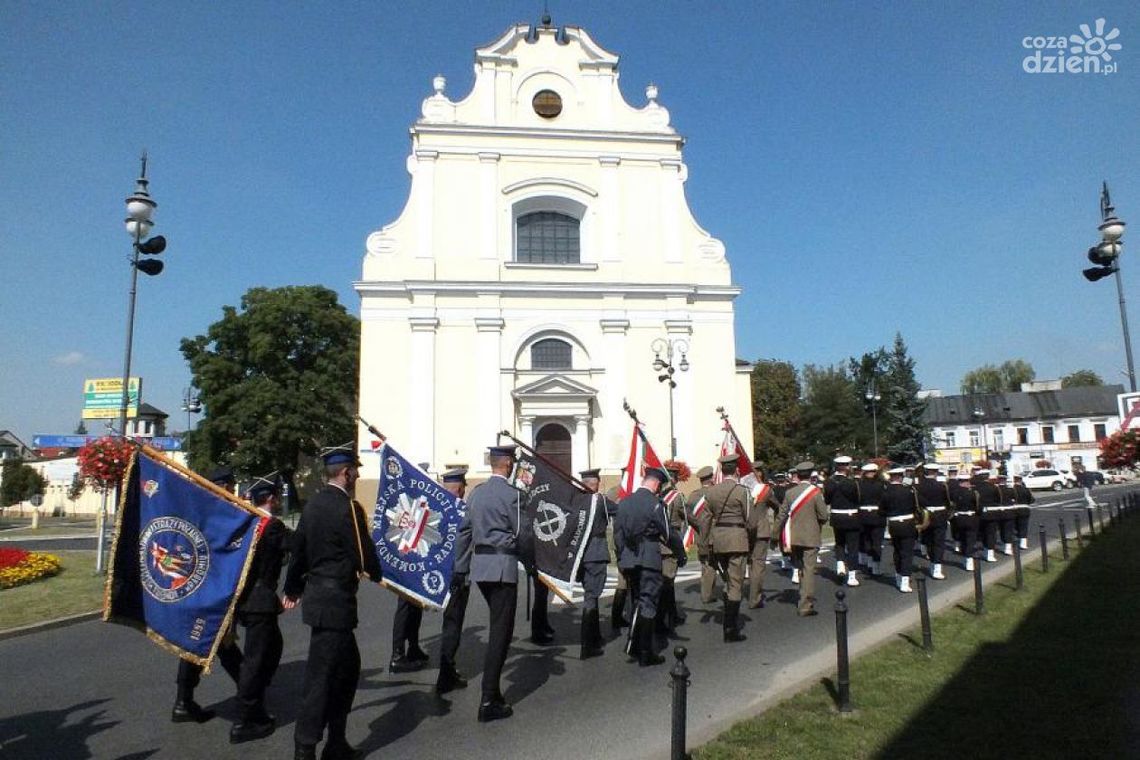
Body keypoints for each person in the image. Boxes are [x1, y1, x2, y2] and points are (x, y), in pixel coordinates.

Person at [284, 445, 383, 760]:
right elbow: (364, 554)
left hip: (319, 598)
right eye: (356, 470)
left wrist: (292, 588)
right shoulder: (348, 508)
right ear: (346, 473)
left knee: (347, 670)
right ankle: (305, 747)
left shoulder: (312, 505)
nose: (358, 475)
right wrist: (379, 572)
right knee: (322, 678)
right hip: (335, 602)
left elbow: (298, 551)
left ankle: (336, 741)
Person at [171, 465, 245, 724]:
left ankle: (183, 701)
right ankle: (249, 694)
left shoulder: (200, 510)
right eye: (230, 487)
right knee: (216, 641)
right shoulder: (217, 513)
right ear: (221, 487)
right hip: (210, 590)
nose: (233, 491)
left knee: (201, 641)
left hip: (198, 589)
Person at [466, 444, 527, 722]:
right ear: (508, 464)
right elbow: (523, 534)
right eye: (512, 462)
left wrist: (462, 568)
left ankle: (494, 693)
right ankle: (488, 698)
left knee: (498, 626)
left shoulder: (476, 493)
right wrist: (534, 563)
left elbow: (465, 531)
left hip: (480, 567)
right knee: (501, 632)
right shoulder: (513, 495)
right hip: (502, 567)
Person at [229, 477, 291, 744]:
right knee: (255, 660)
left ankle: (255, 697)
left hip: (247, 598)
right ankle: (245, 719)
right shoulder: (272, 526)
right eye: (276, 497)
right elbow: (294, 544)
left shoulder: (246, 522)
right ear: (271, 498)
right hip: (259, 600)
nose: (278, 501)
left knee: (273, 647)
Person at [614, 466, 686, 666]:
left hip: (629, 558)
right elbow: (668, 533)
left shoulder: (625, 502)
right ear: (656, 484)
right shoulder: (656, 504)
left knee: (637, 600)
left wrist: (621, 557)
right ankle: (646, 652)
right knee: (648, 603)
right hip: (649, 557)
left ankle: (635, 644)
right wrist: (680, 553)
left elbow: (618, 534)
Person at [698, 454, 752, 641]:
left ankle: (729, 619)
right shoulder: (742, 491)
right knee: (736, 583)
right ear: (736, 470)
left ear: (721, 470)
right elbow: (750, 519)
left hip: (718, 540)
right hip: (737, 539)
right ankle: (730, 629)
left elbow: (705, 521)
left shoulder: (711, 492)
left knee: (728, 579)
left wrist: (703, 546)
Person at [775, 462, 829, 616]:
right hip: (810, 536)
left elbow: (781, 515)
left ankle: (802, 594)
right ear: (811, 475)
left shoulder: (789, 493)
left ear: (797, 475)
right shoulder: (815, 492)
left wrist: (775, 534)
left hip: (794, 537)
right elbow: (823, 516)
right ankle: (805, 605)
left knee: (800, 568)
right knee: (808, 570)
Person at [436, 467, 471, 695]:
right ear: (459, 489)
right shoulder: (464, 511)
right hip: (458, 575)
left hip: (438, 574)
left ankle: (447, 669)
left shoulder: (435, 509)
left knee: (448, 623)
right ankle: (446, 673)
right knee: (453, 624)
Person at [576, 468, 614, 659]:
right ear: (595, 484)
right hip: (596, 552)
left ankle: (595, 636)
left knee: (590, 595)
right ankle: (587, 645)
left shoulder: (576, 501)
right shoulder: (600, 501)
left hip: (580, 555)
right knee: (591, 598)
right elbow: (619, 510)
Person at [656, 463, 688, 634]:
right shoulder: (677, 497)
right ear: (674, 479)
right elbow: (687, 517)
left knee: (662, 582)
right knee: (667, 583)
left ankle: (672, 614)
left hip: (656, 545)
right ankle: (663, 620)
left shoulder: (655, 496)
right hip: (670, 544)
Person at [881, 466, 919, 593]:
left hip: (894, 524)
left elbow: (881, 511)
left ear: (891, 477)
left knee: (897, 550)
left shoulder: (886, 492)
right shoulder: (909, 490)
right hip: (908, 523)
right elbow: (915, 507)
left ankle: (898, 575)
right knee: (907, 552)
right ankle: (905, 580)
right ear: (900, 477)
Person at [747, 466, 781, 606]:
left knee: (750, 563)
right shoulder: (765, 490)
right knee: (758, 564)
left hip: (745, 530)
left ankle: (750, 592)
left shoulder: (742, 490)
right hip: (761, 530)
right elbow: (777, 507)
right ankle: (755, 598)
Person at [824, 455, 861, 586]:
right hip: (851, 517)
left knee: (839, 543)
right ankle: (852, 576)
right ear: (847, 467)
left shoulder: (829, 482)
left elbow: (827, 500)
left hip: (836, 516)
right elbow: (857, 499)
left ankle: (840, 564)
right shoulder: (852, 483)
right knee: (852, 547)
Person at [685, 466, 717, 604]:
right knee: (712, 564)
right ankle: (708, 595)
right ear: (711, 478)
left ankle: (707, 592)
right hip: (715, 534)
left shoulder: (693, 495)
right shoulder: (715, 493)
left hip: (700, 534)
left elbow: (688, 515)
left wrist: (698, 525)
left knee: (705, 564)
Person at [915, 464, 951, 580]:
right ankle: (936, 567)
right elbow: (947, 502)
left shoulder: (918, 486)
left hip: (925, 515)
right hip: (940, 516)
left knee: (929, 541)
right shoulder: (942, 486)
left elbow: (917, 502)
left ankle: (932, 561)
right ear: (936, 472)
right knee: (939, 542)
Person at [856, 463, 886, 576]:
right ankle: (876, 566)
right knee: (877, 542)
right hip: (878, 515)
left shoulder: (859, 484)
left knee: (867, 539)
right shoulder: (882, 484)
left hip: (863, 515)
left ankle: (869, 562)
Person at [951, 471, 979, 570]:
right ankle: (969, 560)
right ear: (967, 481)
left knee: (962, 538)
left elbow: (952, 505)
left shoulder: (954, 493)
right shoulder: (973, 493)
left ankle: (965, 556)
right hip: (970, 517)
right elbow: (977, 506)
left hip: (959, 518)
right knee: (970, 539)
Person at [974, 469, 1001, 562]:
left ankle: (979, 549)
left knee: (981, 532)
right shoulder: (994, 487)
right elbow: (998, 499)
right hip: (992, 513)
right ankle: (989, 553)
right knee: (991, 533)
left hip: (980, 513)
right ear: (988, 477)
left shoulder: (976, 488)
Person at [1011, 473, 1035, 550]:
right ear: (1021, 480)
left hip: (1014, 509)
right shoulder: (1026, 489)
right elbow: (1031, 500)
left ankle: (1016, 540)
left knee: (1015, 526)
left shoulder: (1012, 489)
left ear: (1014, 480)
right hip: (1025, 509)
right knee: (1024, 526)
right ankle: (1023, 543)